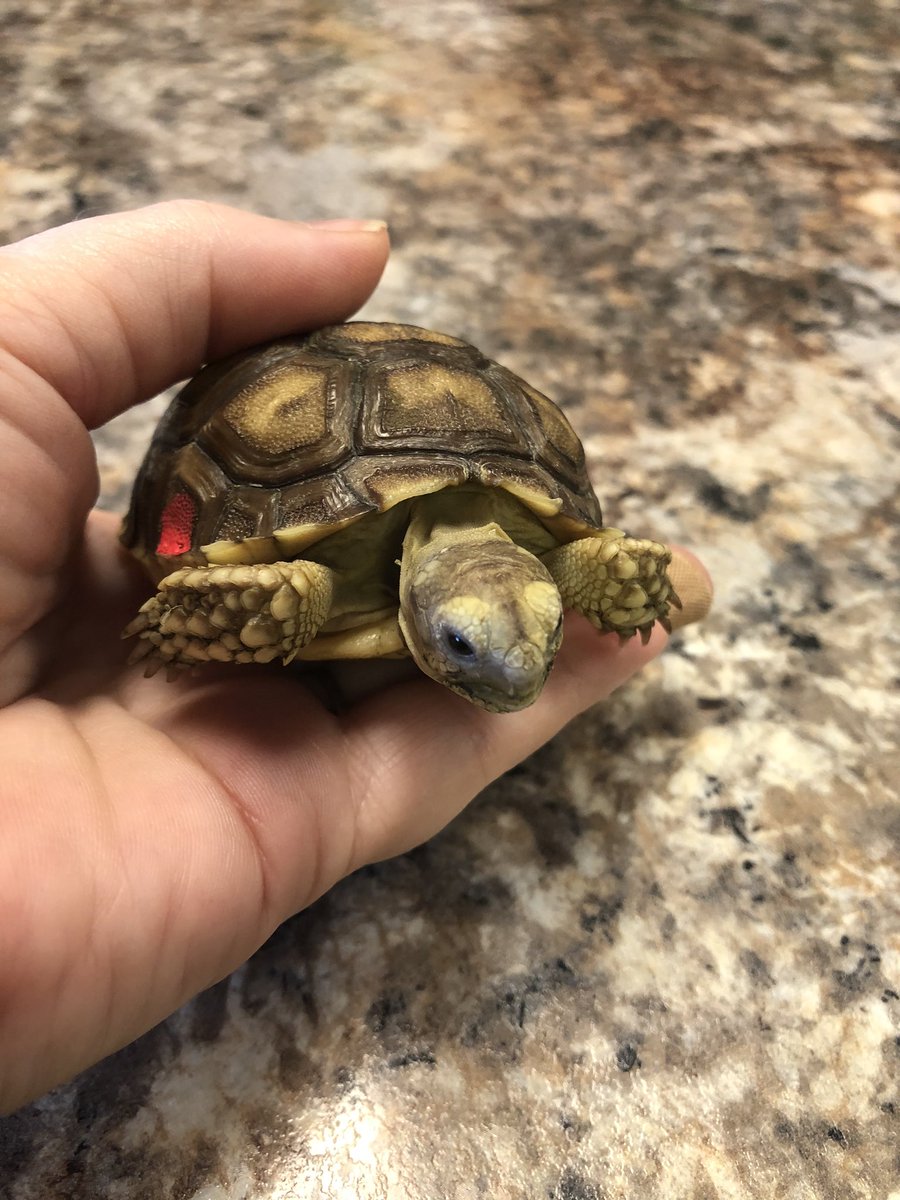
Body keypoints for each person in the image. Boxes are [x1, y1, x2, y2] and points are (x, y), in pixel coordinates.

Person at [0, 201, 710, 1112]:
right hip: (291, 561)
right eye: (466, 646)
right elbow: (187, 568)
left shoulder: (555, 559)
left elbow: (591, 558)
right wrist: (177, 600)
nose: (517, 680)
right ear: (423, 609)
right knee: (289, 594)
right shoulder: (308, 580)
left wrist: (615, 580)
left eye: (538, 630)